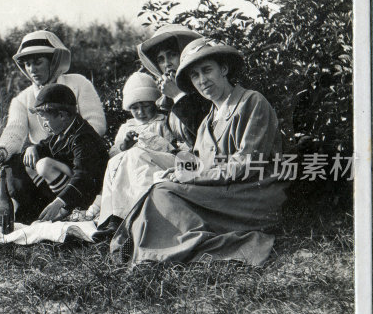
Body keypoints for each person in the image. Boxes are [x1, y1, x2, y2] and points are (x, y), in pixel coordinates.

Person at [110, 38, 287, 266]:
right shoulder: (207, 121)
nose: (202, 81)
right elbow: (201, 164)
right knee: (159, 188)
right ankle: (153, 249)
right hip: (223, 192)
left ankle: (158, 252)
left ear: (223, 69)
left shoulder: (251, 102)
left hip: (253, 196)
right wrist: (176, 172)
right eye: (195, 75)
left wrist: (191, 177)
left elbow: (247, 163)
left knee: (163, 194)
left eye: (207, 70)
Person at [0, 30, 107, 220]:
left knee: (40, 164)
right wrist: (2, 150)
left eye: (38, 62)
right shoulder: (23, 99)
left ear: (54, 61)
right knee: (12, 162)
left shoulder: (79, 83)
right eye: (28, 64)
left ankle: (62, 208)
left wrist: (54, 146)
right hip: (44, 162)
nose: (32, 69)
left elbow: (96, 125)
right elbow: (15, 130)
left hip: (80, 159)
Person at [89, 73, 176, 228]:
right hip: (128, 172)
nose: (141, 112)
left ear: (154, 103)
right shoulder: (127, 127)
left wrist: (151, 143)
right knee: (116, 162)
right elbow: (114, 155)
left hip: (154, 167)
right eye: (135, 108)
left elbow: (170, 149)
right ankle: (113, 216)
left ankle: (136, 215)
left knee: (135, 155)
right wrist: (124, 145)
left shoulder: (162, 122)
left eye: (146, 106)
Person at [23, 84, 108, 221]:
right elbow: (45, 146)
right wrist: (32, 148)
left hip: (89, 192)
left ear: (62, 115)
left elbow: (83, 175)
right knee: (31, 161)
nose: (44, 124)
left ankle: (68, 209)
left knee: (44, 165)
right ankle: (51, 207)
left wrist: (60, 201)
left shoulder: (83, 137)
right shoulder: (63, 130)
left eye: (45, 119)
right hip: (75, 187)